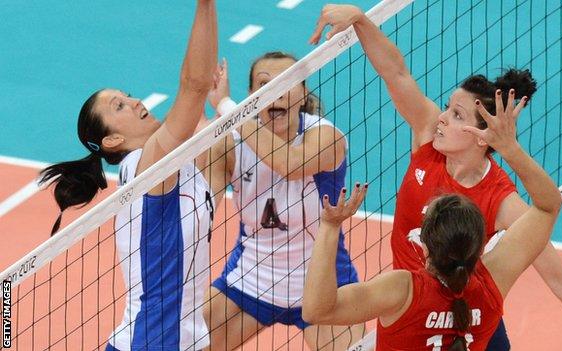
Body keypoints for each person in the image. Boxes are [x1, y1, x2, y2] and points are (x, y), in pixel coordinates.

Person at [309, 4, 562, 351]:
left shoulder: (502, 201)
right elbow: (397, 74)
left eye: (456, 114)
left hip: (466, 313)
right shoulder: (428, 135)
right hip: (411, 307)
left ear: (481, 136)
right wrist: (361, 21)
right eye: (446, 107)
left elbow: (560, 278)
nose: (441, 118)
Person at [302, 87, 562, 351]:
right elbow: (548, 207)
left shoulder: (402, 290)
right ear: (478, 244)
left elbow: (316, 311)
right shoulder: (493, 282)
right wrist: (508, 147)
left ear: (423, 244)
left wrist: (329, 226)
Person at [39, 1, 228, 350]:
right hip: (153, 341)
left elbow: (214, 178)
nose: (135, 101)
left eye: (126, 96)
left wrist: (221, 105)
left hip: (178, 339)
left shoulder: (173, 167)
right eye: (119, 106)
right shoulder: (146, 165)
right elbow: (193, 85)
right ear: (112, 140)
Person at [203, 53, 365, 350]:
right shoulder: (230, 144)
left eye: (286, 82)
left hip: (324, 284)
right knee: (179, 341)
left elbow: (289, 164)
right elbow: (201, 213)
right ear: (253, 96)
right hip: (251, 278)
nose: (276, 91)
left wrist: (228, 109)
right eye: (265, 84)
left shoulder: (326, 136)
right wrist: (202, 139)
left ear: (303, 94)